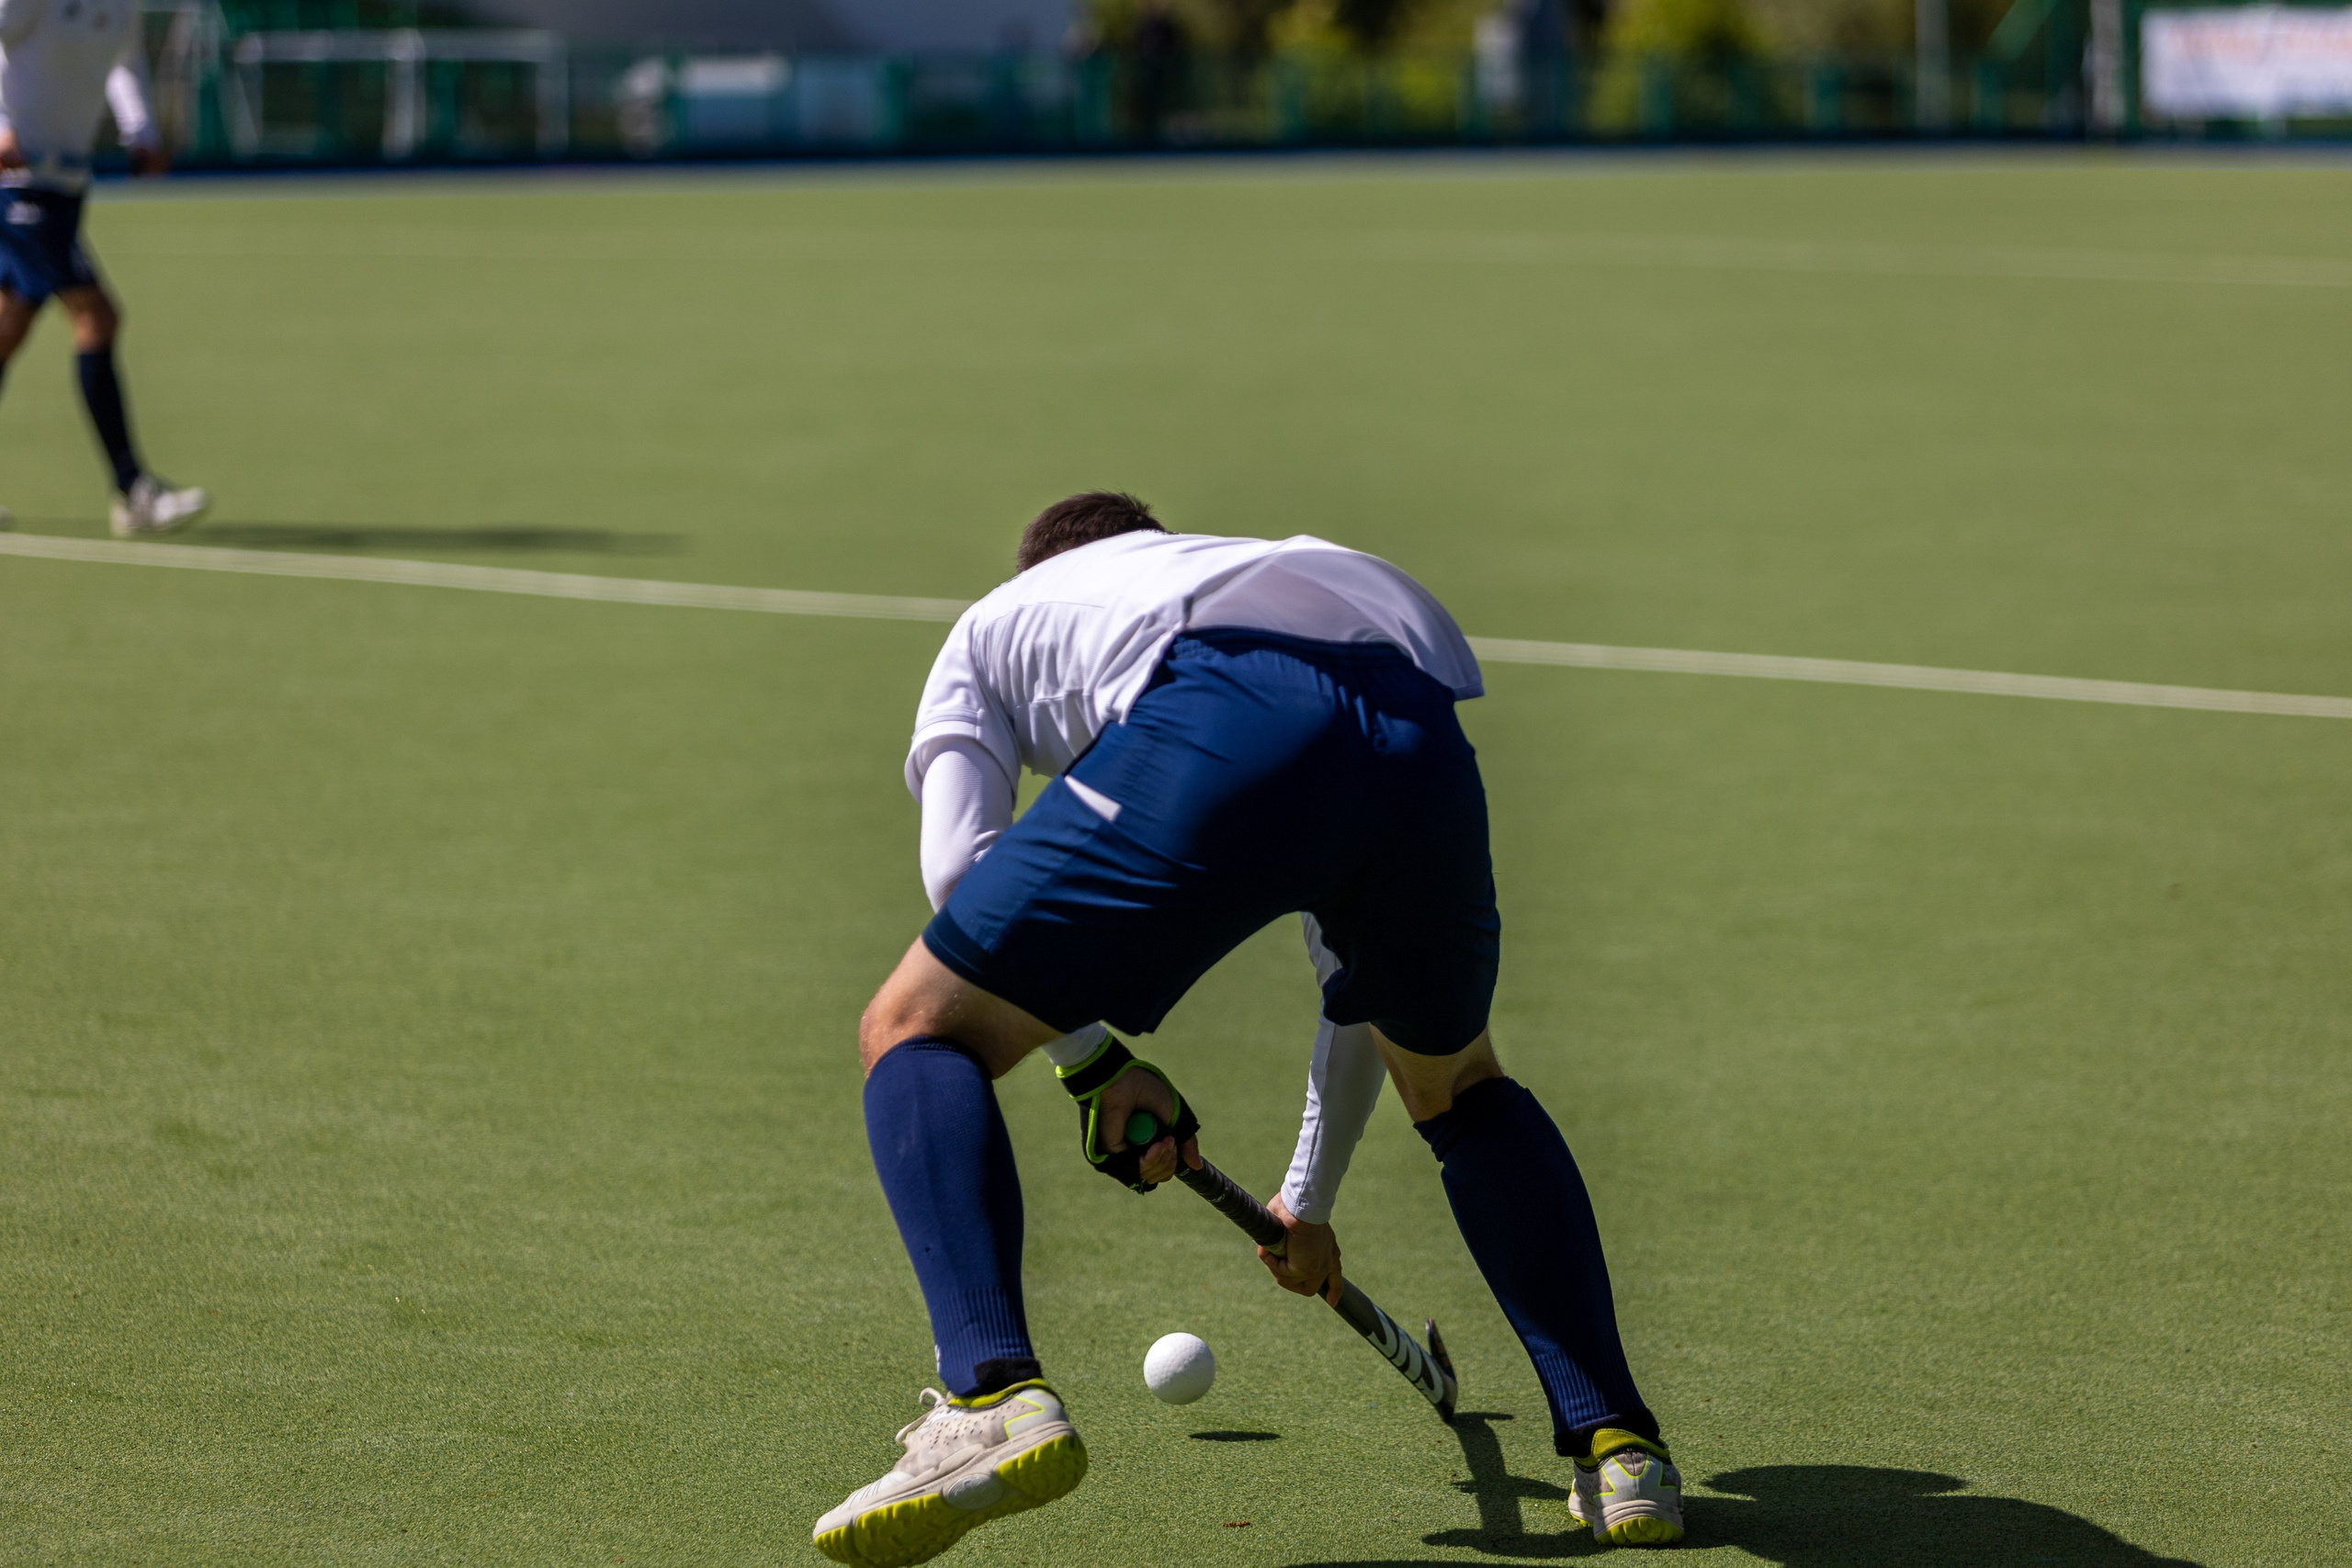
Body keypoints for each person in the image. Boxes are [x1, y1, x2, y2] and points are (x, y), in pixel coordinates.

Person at [815, 493, 1682, 1566]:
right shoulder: (1233, 570)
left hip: (1223, 702)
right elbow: (1352, 996)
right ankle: (1621, 1447)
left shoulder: (998, 621)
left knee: (912, 1024)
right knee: (1457, 1084)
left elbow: (960, 872)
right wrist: (1303, 1205)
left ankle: (989, 1394)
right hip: (1416, 728)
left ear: (1036, 570)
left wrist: (1090, 1063)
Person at [0, 0, 207, 536]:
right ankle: (132, 489)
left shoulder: (121, 5)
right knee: (96, 316)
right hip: (17, 184)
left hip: (63, 184)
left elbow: (123, 60)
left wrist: (142, 132)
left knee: (9, 326)